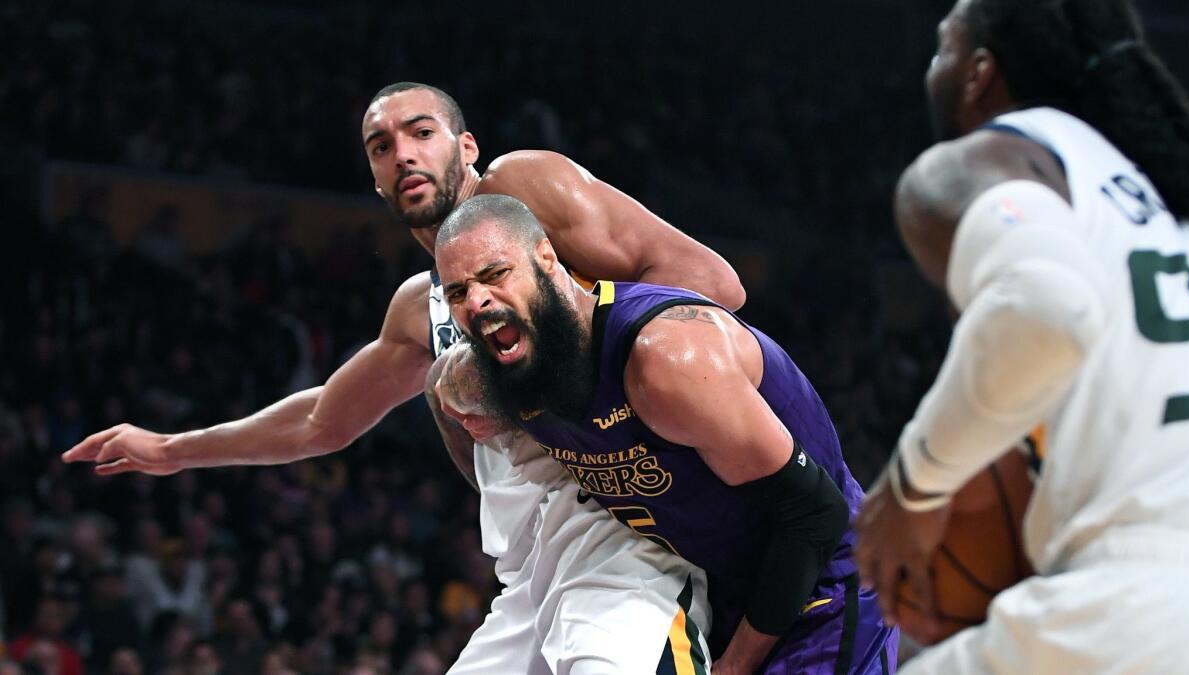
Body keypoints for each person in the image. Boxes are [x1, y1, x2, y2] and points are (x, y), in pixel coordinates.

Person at [63, 82, 746, 673]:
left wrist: (556, 377)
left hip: (620, 538)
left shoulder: (527, 189)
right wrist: (173, 449)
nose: (403, 154)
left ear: (467, 148)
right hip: (530, 578)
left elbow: (710, 283)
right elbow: (319, 420)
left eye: (421, 133)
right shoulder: (422, 303)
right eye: (381, 146)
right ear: (375, 180)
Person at [851, 0, 1189, 672]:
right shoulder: (1169, 200)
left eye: (942, 46)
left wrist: (913, 488)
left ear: (980, 72)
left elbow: (1046, 312)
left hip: (1139, 605)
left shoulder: (984, 164)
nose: (933, 64)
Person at [432, 194, 898, 674]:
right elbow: (445, 387)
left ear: (546, 258)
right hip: (733, 598)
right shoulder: (508, 367)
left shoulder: (664, 360)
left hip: (823, 591)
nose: (478, 301)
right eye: (457, 293)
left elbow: (817, 514)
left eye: (494, 275)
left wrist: (734, 666)